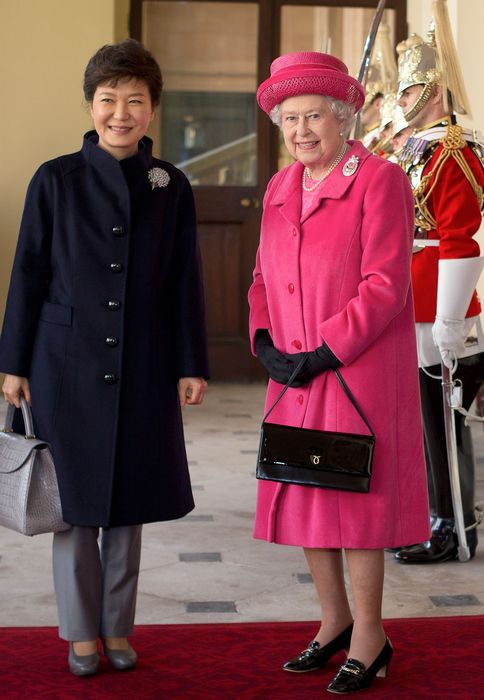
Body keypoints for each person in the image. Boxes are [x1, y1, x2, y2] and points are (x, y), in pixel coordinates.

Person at [0, 39, 209, 675]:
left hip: (144, 365)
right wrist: (13, 363)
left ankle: (117, 629)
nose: (120, 112)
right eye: (108, 99)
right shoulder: (54, 179)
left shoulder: (169, 184)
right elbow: (29, 274)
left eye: (134, 101)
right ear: (91, 104)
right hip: (62, 365)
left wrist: (190, 362)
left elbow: (183, 280)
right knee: (74, 505)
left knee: (129, 505)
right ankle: (79, 635)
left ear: (153, 110)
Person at [249, 51, 429, 694]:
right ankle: (333, 624)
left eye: (314, 116)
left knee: (355, 504)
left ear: (344, 117)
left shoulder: (379, 179)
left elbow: (386, 285)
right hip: (293, 372)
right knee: (305, 490)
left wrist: (326, 350)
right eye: (289, 118)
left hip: (354, 370)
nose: (301, 130)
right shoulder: (277, 187)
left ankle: (371, 636)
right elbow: (264, 277)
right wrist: (265, 340)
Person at [393, 3, 484, 564]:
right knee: (426, 420)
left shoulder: (453, 148)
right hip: (414, 298)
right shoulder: (418, 145)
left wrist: (450, 321)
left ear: (432, 90)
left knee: (444, 424)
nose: (399, 103)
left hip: (439, 306)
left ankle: (455, 527)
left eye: (407, 93)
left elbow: (460, 237)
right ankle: (437, 516)